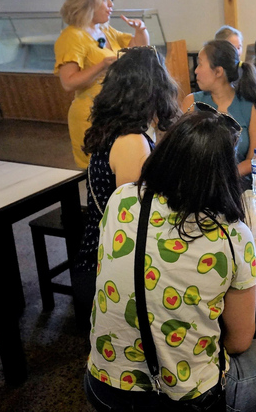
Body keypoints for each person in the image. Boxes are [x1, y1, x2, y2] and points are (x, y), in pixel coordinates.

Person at [84, 109, 256, 411]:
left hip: (102, 387)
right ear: (225, 171)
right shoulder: (231, 234)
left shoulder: (123, 198)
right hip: (185, 400)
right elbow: (239, 342)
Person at [74, 46, 181, 325]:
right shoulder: (132, 143)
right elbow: (135, 225)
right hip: (107, 272)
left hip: (97, 256)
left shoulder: (113, 129)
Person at [54, 0, 149, 168]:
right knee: (101, 175)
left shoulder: (105, 30)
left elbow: (136, 51)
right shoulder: (72, 36)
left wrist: (141, 30)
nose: (111, 4)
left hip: (117, 113)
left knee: (123, 171)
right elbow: (68, 82)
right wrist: (102, 66)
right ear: (88, 1)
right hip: (92, 117)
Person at [181, 39, 256, 179]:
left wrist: (223, 178)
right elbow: (181, 152)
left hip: (237, 184)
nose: (195, 71)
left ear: (218, 71)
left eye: (200, 64)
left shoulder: (251, 105)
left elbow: (255, 159)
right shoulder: (192, 102)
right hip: (197, 183)